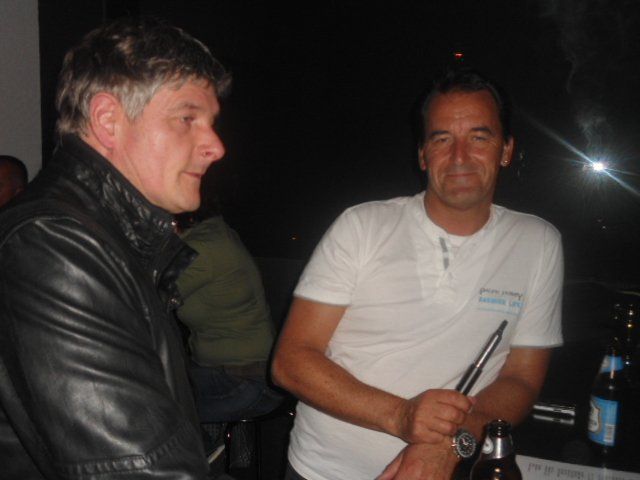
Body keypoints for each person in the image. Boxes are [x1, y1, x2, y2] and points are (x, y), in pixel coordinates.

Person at [272, 69, 564, 480]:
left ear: (506, 149)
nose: (460, 156)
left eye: (479, 138)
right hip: (322, 471)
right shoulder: (362, 226)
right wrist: (401, 415)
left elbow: (521, 379)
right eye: (442, 139)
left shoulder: (538, 241)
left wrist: (450, 445)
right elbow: (290, 361)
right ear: (423, 155)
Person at [0, 18, 231, 479]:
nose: (216, 146)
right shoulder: (53, 245)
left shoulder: (107, 238)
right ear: (108, 120)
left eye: (211, 123)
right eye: (187, 118)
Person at [175, 205, 282, 461]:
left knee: (158, 405)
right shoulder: (216, 233)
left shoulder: (202, 248)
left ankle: (205, 455)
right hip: (235, 371)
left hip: (246, 380)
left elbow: (144, 293)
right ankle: (220, 454)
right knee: (170, 381)